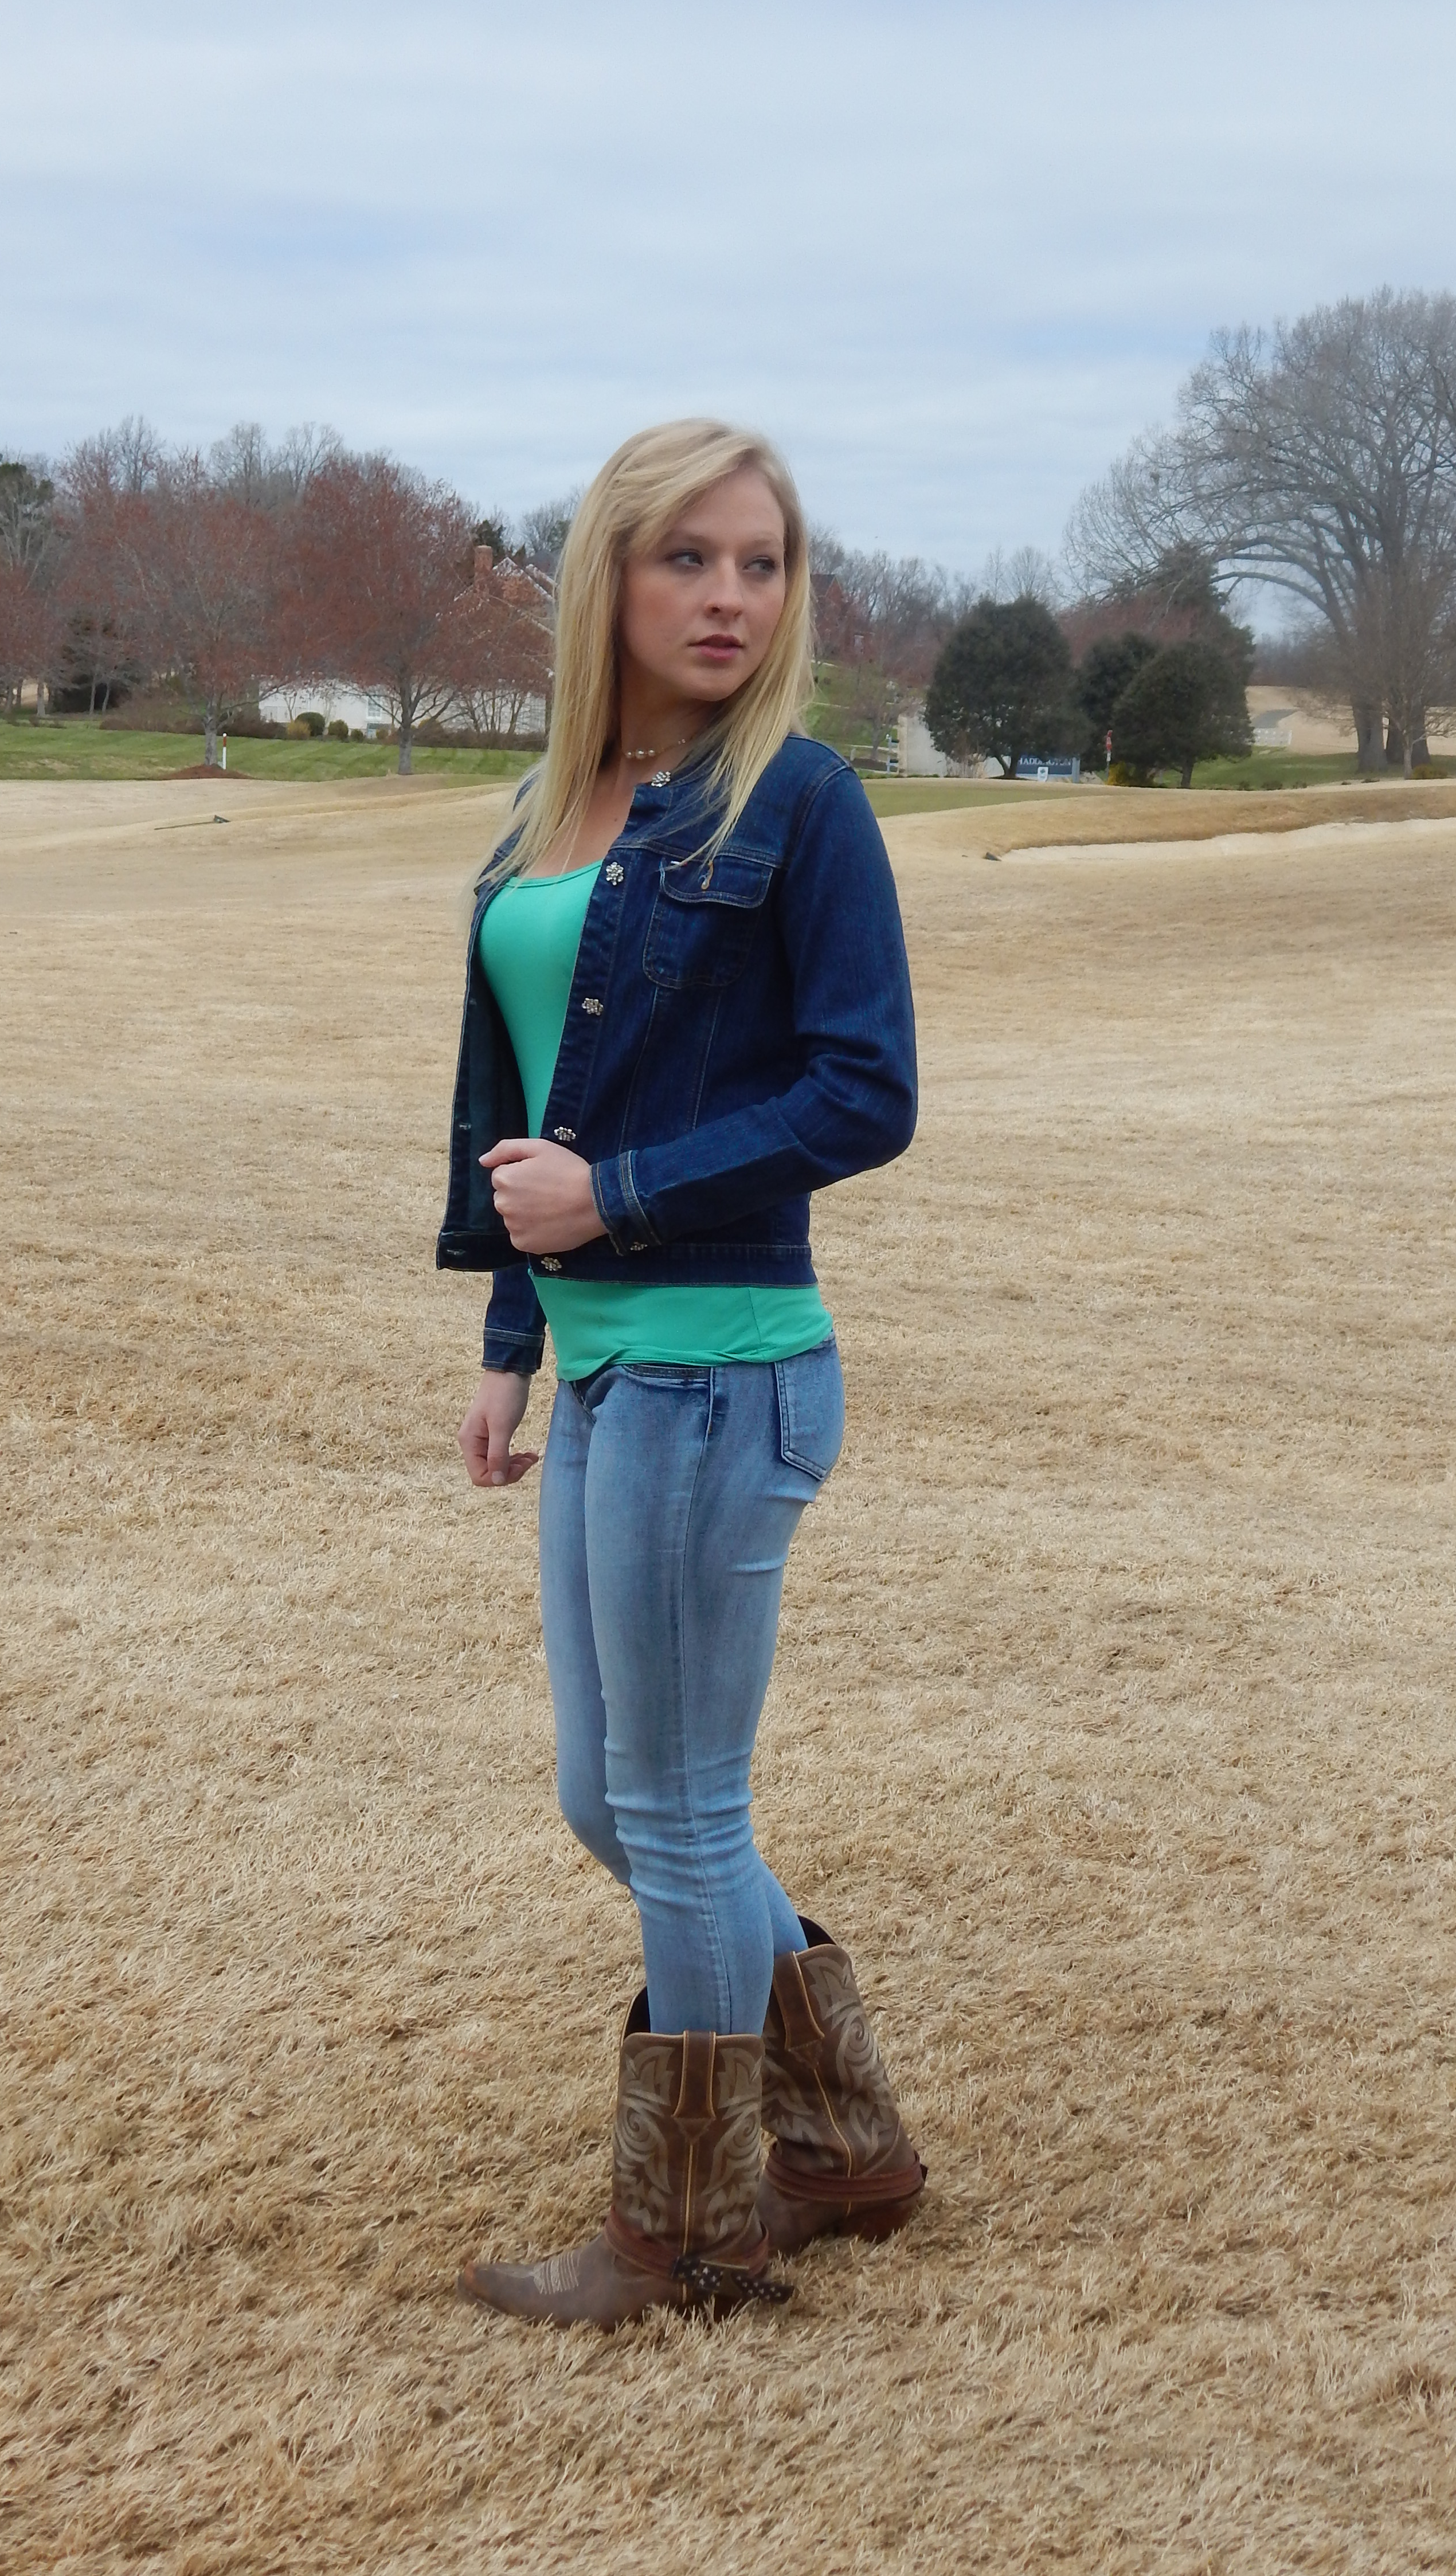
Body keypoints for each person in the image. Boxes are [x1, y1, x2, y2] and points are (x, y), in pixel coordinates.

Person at [439, 419, 925, 2328]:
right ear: (610, 577)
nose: (731, 598)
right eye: (689, 559)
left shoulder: (798, 802)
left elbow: (865, 1092)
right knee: (610, 1799)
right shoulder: (547, 811)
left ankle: (693, 2230)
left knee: (677, 1809)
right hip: (605, 1375)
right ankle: (845, 2142)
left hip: (723, 1369)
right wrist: (509, 1335)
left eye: (763, 563)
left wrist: (617, 1201)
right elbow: (524, 1105)